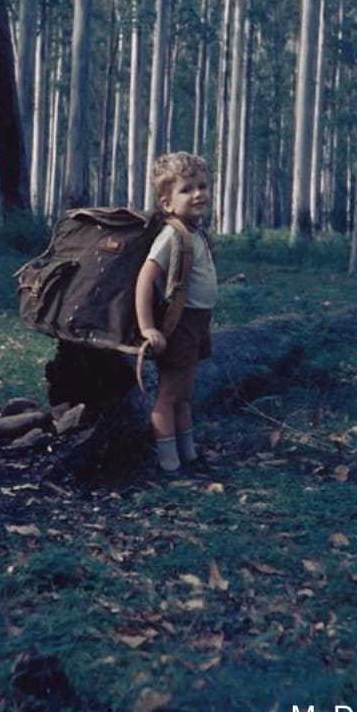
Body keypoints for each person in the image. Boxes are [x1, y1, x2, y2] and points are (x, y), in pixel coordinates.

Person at [134, 151, 218, 477]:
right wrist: (147, 327)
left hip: (199, 323)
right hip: (180, 324)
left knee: (184, 394)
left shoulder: (196, 232)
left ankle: (190, 456)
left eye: (202, 186)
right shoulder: (173, 235)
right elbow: (146, 277)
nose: (198, 193)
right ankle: (169, 465)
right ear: (166, 202)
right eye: (187, 189)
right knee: (168, 396)